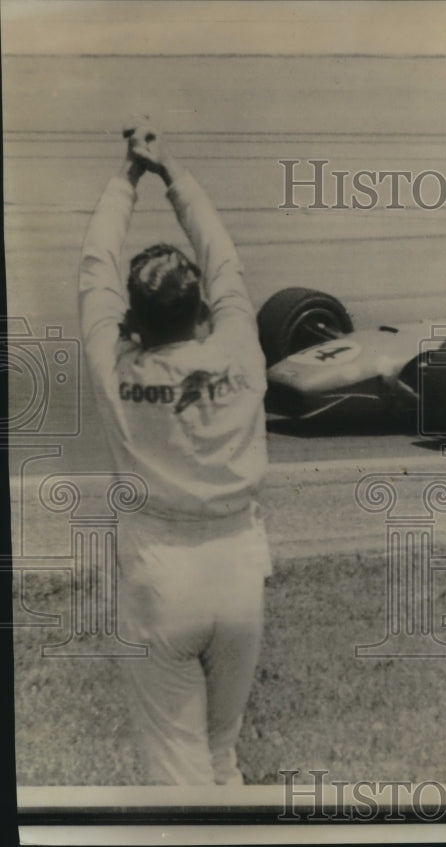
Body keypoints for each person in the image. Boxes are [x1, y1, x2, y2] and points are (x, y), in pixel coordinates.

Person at [78, 121, 271, 785]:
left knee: (178, 772)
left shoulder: (115, 365)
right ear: (201, 314)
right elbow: (224, 261)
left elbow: (96, 267)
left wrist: (125, 178)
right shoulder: (241, 348)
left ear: (133, 322)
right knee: (222, 755)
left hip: (161, 578)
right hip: (241, 571)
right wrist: (172, 172)